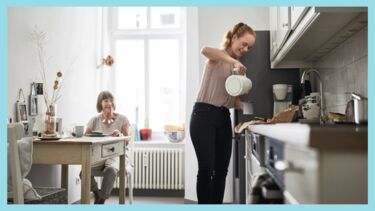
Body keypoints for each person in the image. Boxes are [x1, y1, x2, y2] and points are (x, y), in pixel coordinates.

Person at [190, 22, 256, 204]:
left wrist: (247, 108)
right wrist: (234, 60)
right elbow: (205, 50)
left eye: (249, 47)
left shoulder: (235, 68)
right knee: (206, 169)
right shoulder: (219, 58)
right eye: (243, 43)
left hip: (222, 117)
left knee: (221, 171)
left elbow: (230, 100)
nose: (245, 49)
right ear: (234, 37)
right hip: (203, 116)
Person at [83, 91, 130, 204]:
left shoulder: (123, 119)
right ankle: (96, 193)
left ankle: (101, 200)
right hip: (99, 155)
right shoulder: (94, 120)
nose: (109, 103)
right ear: (100, 104)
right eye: (105, 100)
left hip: (118, 154)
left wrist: (120, 135)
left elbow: (127, 140)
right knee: (83, 173)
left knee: (110, 170)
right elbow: (85, 137)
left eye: (111, 100)